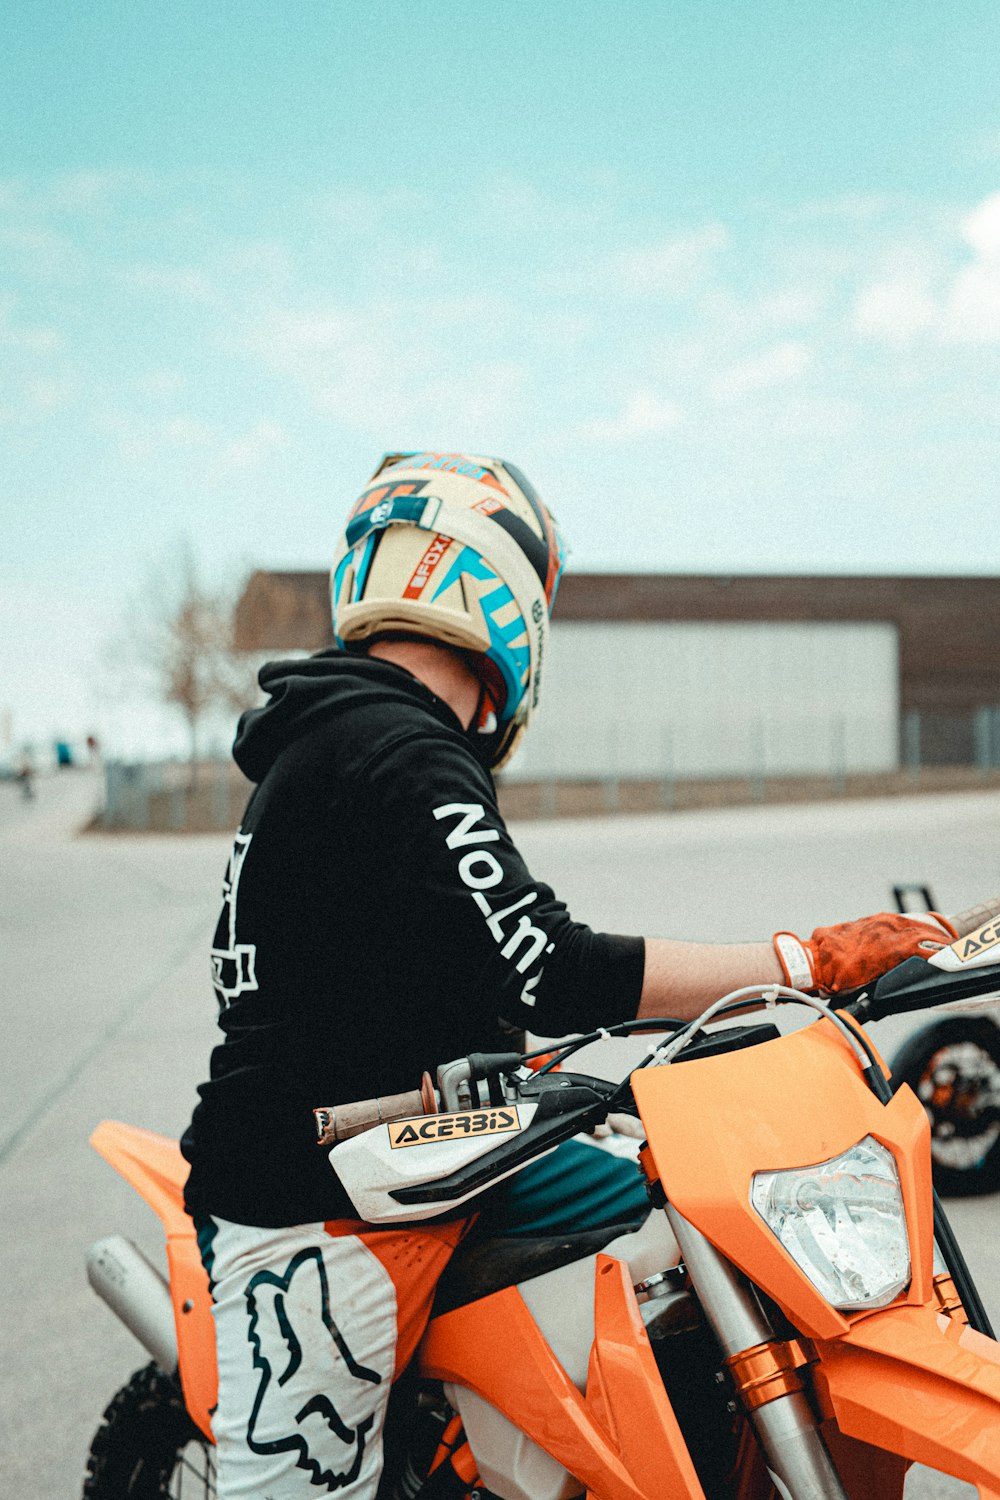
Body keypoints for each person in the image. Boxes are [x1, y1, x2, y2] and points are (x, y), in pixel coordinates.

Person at [181, 451, 954, 1500]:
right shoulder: (398, 743)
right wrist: (803, 960)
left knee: (669, 1211)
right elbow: (550, 963)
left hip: (431, 1150)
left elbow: (448, 974)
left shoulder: (343, 740)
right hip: (319, 1199)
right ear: (502, 595)